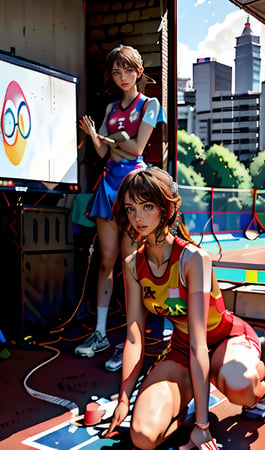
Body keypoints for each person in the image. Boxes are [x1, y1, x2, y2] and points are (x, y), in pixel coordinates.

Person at [103, 166, 265, 449]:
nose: (138, 217)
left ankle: (262, 381)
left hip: (223, 338)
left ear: (165, 209)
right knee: (142, 436)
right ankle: (185, 403)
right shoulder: (133, 264)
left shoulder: (194, 259)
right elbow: (134, 336)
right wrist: (124, 397)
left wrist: (203, 426)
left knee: (240, 385)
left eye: (147, 206)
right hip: (182, 347)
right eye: (130, 208)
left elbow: (200, 341)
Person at [74, 45, 166, 370]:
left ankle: (132, 338)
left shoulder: (150, 104)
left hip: (133, 191)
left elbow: (138, 147)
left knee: (130, 264)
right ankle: (99, 333)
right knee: (106, 261)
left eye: (128, 70)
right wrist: (96, 136)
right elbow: (103, 152)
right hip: (108, 184)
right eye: (116, 72)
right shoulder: (111, 106)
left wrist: (112, 139)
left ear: (139, 72)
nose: (122, 76)